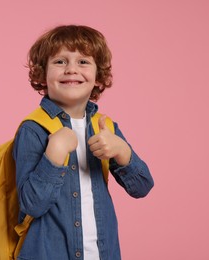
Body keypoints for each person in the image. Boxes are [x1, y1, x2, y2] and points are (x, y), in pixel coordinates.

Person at [13, 25, 154, 260]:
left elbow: (142, 187)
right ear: (42, 73)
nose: (71, 70)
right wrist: (54, 154)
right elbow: (32, 205)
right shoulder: (33, 129)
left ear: (98, 75)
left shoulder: (105, 127)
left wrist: (121, 150)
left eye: (83, 62)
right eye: (60, 62)